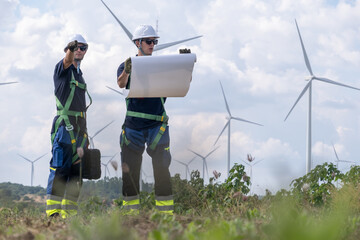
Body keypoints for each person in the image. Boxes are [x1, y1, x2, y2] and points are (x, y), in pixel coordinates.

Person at [117, 25, 174, 214]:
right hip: (133, 126)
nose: (153, 45)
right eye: (149, 41)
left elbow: (180, 83)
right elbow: (121, 83)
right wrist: (127, 70)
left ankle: (165, 212)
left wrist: (185, 66)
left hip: (157, 125)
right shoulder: (127, 65)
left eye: (154, 41)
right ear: (137, 43)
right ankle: (131, 212)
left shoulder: (162, 67)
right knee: (130, 170)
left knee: (162, 168)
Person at [46, 34, 91, 218]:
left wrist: (86, 133)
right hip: (65, 127)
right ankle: (53, 213)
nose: (80, 50)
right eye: (76, 47)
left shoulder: (80, 75)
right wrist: (70, 50)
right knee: (60, 169)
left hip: (80, 128)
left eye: (83, 47)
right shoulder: (62, 69)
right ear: (68, 49)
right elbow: (67, 61)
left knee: (76, 173)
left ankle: (69, 215)